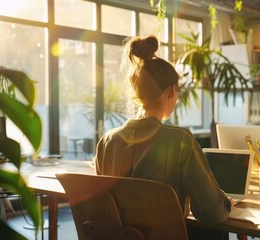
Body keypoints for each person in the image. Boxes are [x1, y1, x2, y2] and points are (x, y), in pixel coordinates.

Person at [94, 35, 232, 239]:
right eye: (177, 95)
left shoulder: (107, 142)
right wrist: (227, 203)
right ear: (170, 92)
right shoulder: (179, 140)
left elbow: (103, 206)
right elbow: (212, 213)